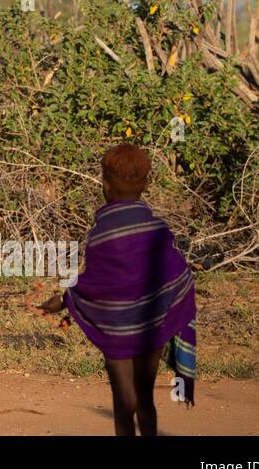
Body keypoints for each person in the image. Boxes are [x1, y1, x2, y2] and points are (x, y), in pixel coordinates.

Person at [37, 143, 198, 436]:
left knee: (124, 402)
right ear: (146, 183)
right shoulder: (158, 230)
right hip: (152, 325)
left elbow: (97, 283)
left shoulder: (103, 232)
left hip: (117, 329)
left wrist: (64, 299)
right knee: (146, 400)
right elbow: (178, 275)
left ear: (106, 185)